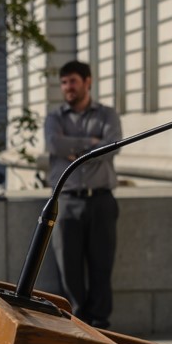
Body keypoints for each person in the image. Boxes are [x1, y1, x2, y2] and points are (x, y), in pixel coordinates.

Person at [44, 60, 123, 328]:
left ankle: (101, 324)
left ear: (88, 82)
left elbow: (111, 147)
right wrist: (91, 145)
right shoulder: (55, 118)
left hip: (101, 200)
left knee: (102, 265)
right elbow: (54, 143)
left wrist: (74, 151)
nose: (68, 87)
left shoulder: (107, 115)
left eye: (73, 81)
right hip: (66, 200)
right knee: (68, 268)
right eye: (64, 82)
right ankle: (74, 322)